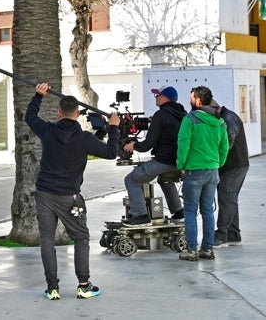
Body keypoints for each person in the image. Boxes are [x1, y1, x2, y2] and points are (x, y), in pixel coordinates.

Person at [25, 83, 120, 301]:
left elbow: (30, 117)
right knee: (81, 238)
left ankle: (52, 288)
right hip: (70, 198)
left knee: (47, 240)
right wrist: (113, 127)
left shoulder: (48, 130)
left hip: (45, 194)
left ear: (59, 113)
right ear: (77, 114)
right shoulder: (85, 139)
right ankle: (84, 285)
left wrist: (38, 96)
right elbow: (111, 152)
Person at [121, 85, 186, 227]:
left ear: (165, 98)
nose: (155, 97)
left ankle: (140, 216)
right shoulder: (183, 114)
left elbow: (148, 144)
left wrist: (133, 145)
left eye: (158, 95)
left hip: (163, 161)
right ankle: (179, 212)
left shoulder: (160, 115)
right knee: (165, 179)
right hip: (180, 162)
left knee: (132, 180)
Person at [176, 86, 229, 261]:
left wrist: (181, 165)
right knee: (207, 210)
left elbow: (183, 144)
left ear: (198, 100)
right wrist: (217, 163)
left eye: (191, 98)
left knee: (190, 211)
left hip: (194, 171)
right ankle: (207, 249)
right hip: (212, 171)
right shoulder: (220, 122)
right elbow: (224, 147)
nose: (190, 101)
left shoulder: (190, 119)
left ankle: (192, 250)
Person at [210, 99, 249, 247]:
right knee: (230, 198)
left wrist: (214, 159)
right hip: (230, 165)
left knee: (226, 198)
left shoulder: (228, 118)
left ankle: (221, 235)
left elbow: (227, 143)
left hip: (235, 165)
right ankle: (233, 234)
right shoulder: (224, 117)